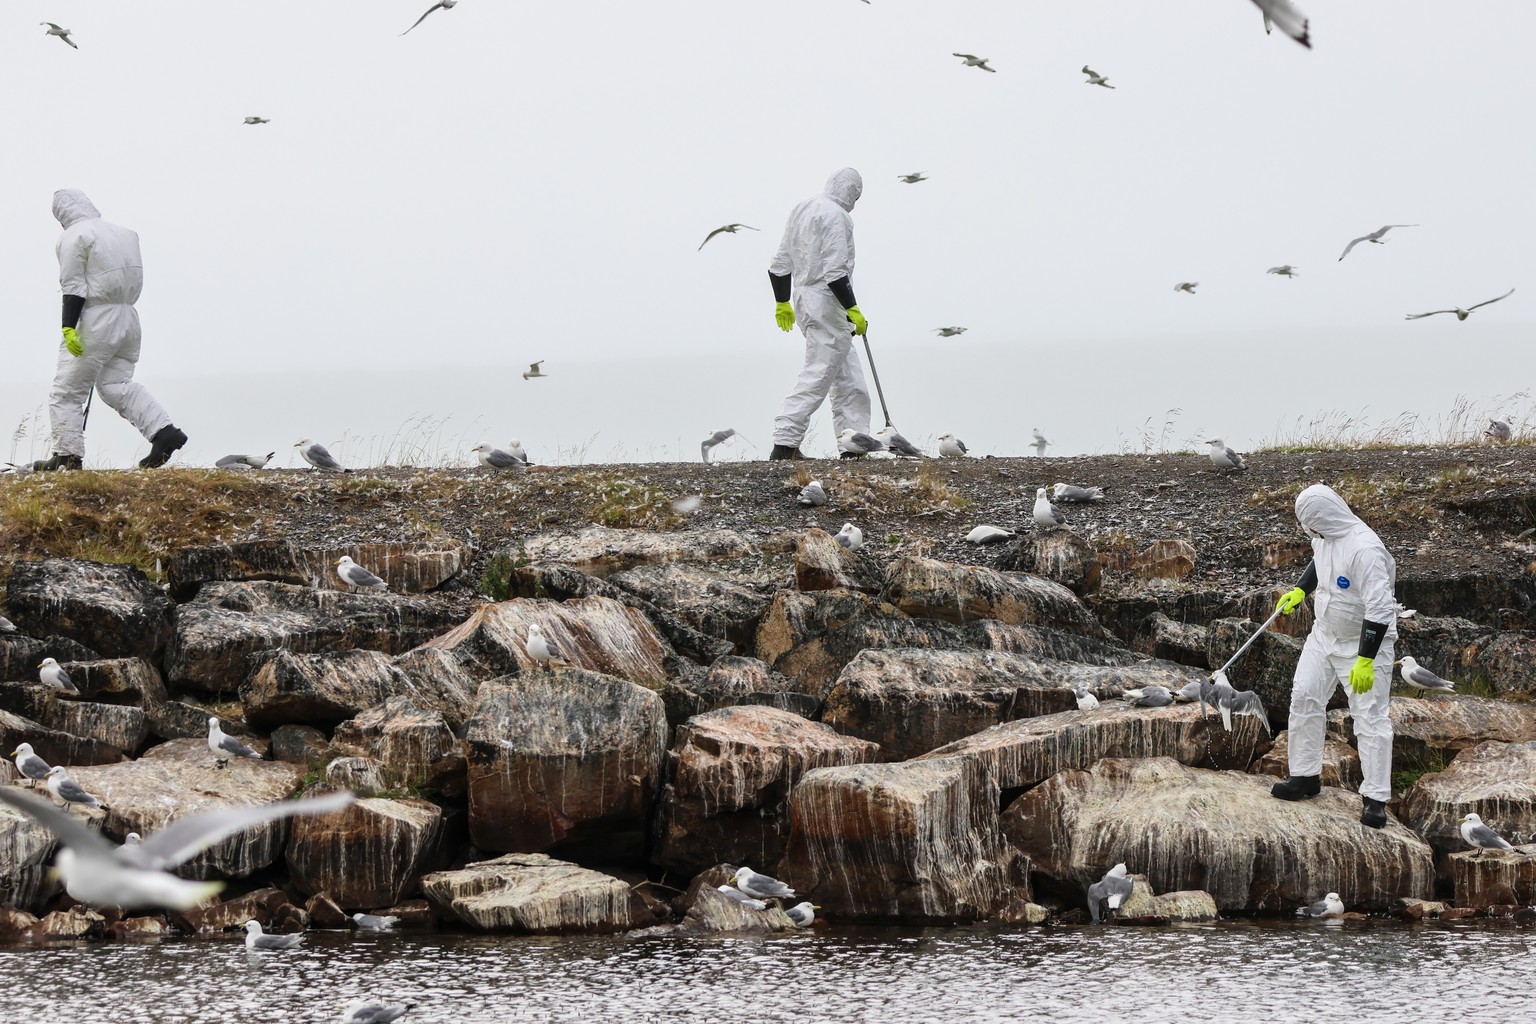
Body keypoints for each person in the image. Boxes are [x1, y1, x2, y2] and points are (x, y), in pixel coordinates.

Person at [1269, 484, 1397, 829]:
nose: (1307, 530)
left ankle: (1375, 798)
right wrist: (1300, 589)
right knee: (1305, 696)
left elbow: (1380, 608)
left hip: (1363, 642)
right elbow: (1318, 561)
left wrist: (1366, 658)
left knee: (1370, 717)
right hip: (1324, 634)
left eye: (1309, 523)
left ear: (1324, 516)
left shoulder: (1365, 550)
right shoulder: (1324, 534)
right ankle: (1306, 777)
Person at [34, 190, 186, 471]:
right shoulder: (125, 234)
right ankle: (165, 432)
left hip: (96, 319)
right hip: (128, 317)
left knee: (66, 392)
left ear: (62, 214)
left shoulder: (74, 236)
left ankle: (67, 457)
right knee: (116, 385)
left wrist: (68, 326)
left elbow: (74, 286)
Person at [766, 168, 872, 460]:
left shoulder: (802, 208)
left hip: (805, 299)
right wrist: (851, 307)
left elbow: (779, 263)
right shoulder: (838, 217)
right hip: (827, 301)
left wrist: (782, 301)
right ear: (852, 192)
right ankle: (784, 444)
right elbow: (836, 272)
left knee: (850, 379)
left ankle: (855, 446)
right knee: (819, 371)